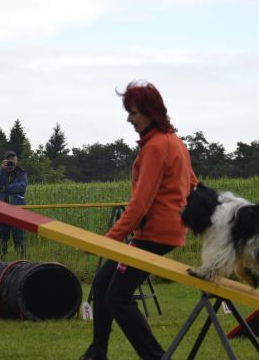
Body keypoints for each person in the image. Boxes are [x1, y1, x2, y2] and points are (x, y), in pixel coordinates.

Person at [82, 80, 198, 360]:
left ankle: (155, 356)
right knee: (101, 283)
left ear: (151, 112)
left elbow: (140, 203)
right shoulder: (175, 143)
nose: (129, 119)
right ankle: (97, 351)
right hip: (160, 231)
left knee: (117, 297)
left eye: (133, 112)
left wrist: (108, 241)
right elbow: (193, 183)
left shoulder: (156, 147)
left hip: (155, 234)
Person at [0, 150, 28, 258]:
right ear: (4, 161)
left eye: (13, 158)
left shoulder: (21, 173)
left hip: (18, 211)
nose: (11, 161)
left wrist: (6, 188)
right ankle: (0, 263)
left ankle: (22, 262)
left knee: (20, 238)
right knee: (0, 239)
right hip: (1, 211)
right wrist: (3, 170)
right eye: (9, 159)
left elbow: (22, 187)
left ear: (17, 161)